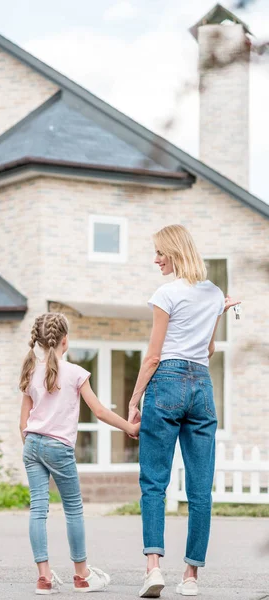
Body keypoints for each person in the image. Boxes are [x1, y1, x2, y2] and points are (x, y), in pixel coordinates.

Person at [127, 225, 240, 598]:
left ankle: (153, 568)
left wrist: (134, 398)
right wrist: (217, 314)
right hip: (202, 388)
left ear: (175, 252)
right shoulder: (214, 293)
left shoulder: (166, 293)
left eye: (160, 252)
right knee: (200, 487)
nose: (156, 259)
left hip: (167, 382)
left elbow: (155, 355)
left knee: (154, 482)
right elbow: (207, 351)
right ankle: (191, 575)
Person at [19, 312, 140, 595]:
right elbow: (98, 411)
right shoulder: (74, 372)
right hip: (58, 447)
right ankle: (82, 575)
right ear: (65, 341)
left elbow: (22, 423)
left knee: (38, 509)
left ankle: (44, 578)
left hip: (32, 443)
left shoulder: (29, 371)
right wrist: (129, 428)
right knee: (73, 509)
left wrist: (30, 447)